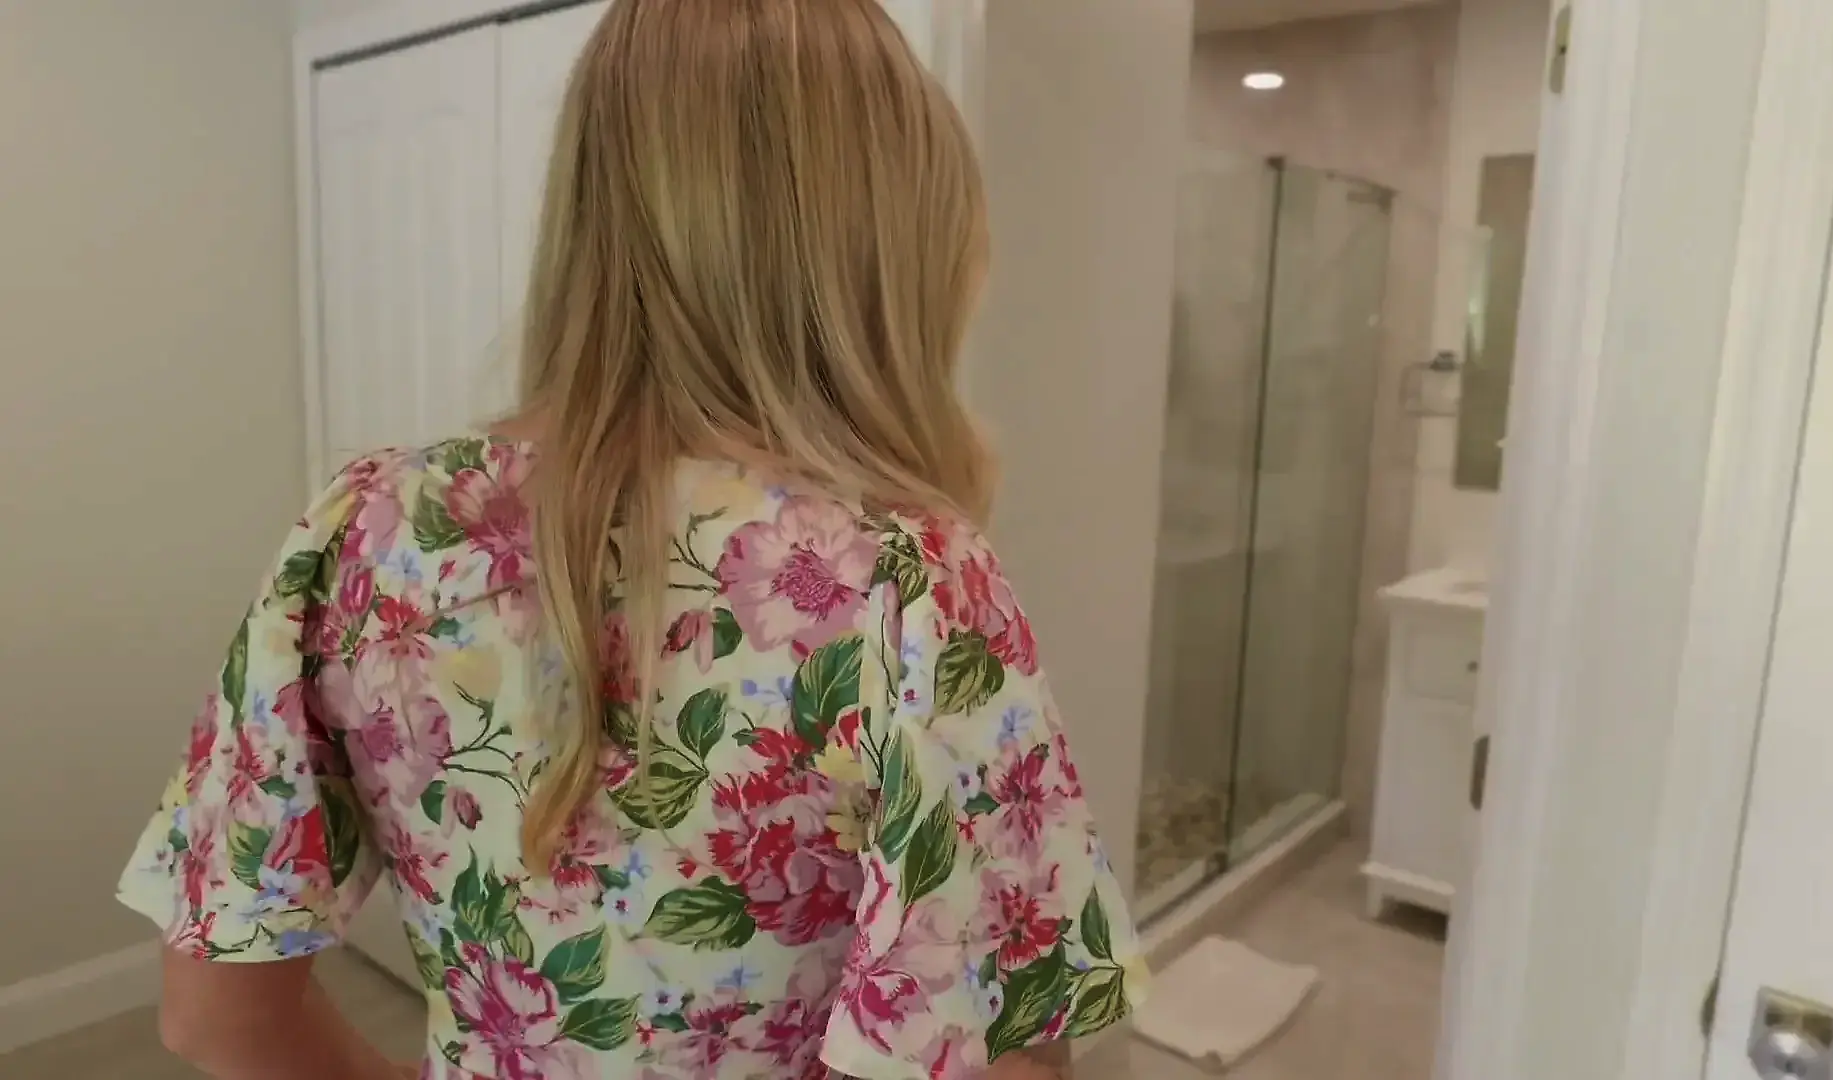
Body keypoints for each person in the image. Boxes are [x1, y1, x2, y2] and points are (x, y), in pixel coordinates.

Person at [116, 1, 1146, 1077]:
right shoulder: (908, 587)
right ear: (891, 241)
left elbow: (215, 1017)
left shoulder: (370, 533)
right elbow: (1001, 1061)